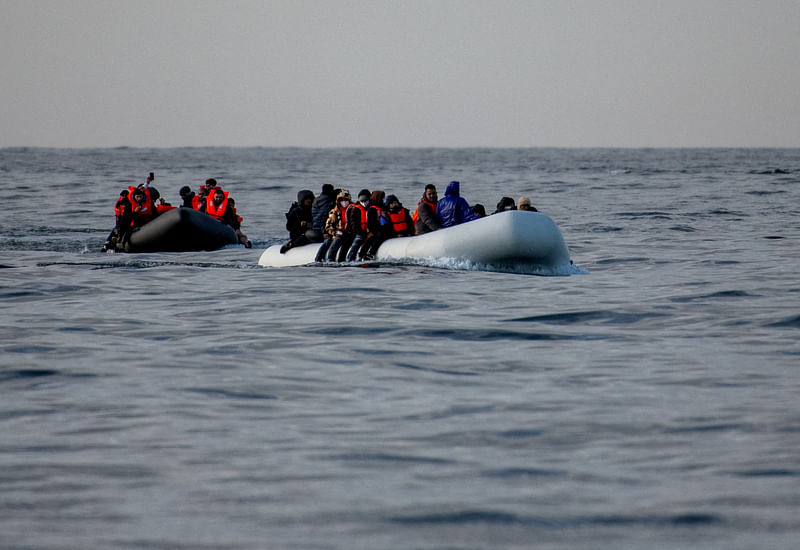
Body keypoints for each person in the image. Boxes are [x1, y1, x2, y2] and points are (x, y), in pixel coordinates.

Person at [321, 189, 352, 262]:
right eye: (342, 200)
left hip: (349, 234)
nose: (344, 202)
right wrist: (335, 232)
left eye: (346, 199)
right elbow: (328, 226)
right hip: (339, 234)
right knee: (333, 248)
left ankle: (343, 260)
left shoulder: (353, 209)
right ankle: (329, 261)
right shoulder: (334, 211)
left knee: (345, 250)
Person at [280, 189, 315, 253]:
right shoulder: (295, 211)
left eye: (310, 198)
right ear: (302, 200)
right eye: (307, 199)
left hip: (311, 232)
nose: (309, 200)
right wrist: (299, 224)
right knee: (302, 239)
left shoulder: (314, 210)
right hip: (298, 234)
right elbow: (289, 226)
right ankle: (289, 246)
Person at [357, 190, 386, 260]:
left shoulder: (382, 207)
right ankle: (368, 253)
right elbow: (370, 222)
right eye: (382, 198)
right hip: (373, 230)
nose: (383, 199)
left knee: (380, 235)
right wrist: (373, 231)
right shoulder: (372, 209)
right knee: (374, 237)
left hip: (380, 228)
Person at [344, 189, 370, 261]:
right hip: (360, 232)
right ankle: (350, 258)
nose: (364, 203)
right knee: (357, 242)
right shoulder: (355, 209)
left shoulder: (372, 208)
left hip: (370, 232)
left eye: (366, 200)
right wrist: (360, 232)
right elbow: (354, 223)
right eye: (362, 201)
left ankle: (367, 255)